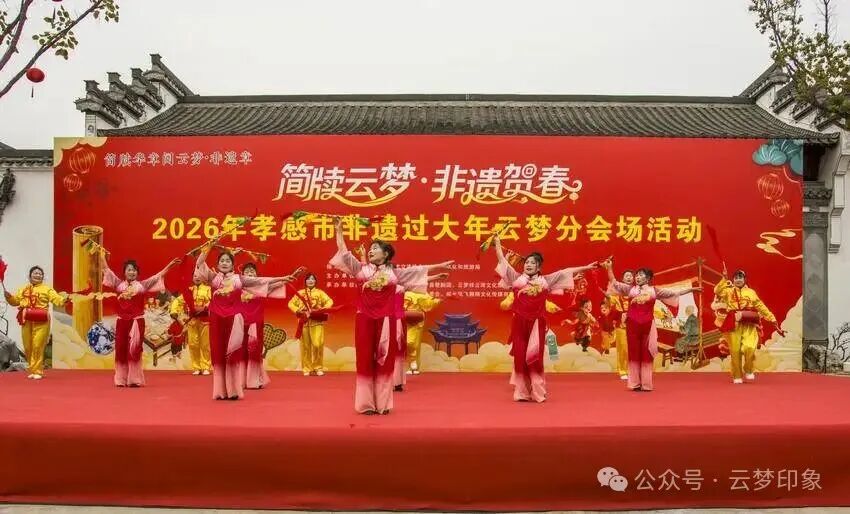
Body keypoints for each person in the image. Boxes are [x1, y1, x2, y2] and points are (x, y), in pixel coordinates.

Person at [330, 216, 452, 414]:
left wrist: (439, 266)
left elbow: (417, 270)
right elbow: (344, 253)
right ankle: (366, 404)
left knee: (385, 360)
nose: (371, 251)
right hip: (364, 320)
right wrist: (339, 230)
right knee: (365, 360)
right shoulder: (360, 269)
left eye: (375, 248)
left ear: (386, 254)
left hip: (387, 321)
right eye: (370, 249)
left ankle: (383, 404)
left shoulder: (394, 273)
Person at [493, 235, 598, 402]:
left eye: (532, 263)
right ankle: (522, 392)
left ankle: (537, 392)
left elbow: (566, 271)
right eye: (527, 262)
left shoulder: (546, 281)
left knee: (534, 358)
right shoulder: (516, 278)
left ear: (538, 266)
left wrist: (586, 267)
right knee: (520, 357)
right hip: (519, 323)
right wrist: (498, 243)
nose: (528, 265)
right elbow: (502, 261)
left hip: (537, 324)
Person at [195, 245, 298, 400]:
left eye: (228, 261)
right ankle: (221, 391)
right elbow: (200, 264)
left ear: (232, 264)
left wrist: (283, 278)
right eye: (222, 261)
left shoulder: (239, 279)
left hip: (234, 320)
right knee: (218, 354)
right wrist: (208, 247)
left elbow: (261, 280)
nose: (224, 263)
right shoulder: (213, 278)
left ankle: (234, 391)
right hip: (216, 319)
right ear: (217, 264)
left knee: (233, 354)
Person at [604, 261, 700, 392]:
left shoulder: (655, 291)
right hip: (632, 326)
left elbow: (673, 293)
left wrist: (691, 290)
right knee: (633, 353)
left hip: (648, 325)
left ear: (648, 278)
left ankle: (646, 384)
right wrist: (609, 268)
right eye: (637, 275)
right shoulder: (630, 289)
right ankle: (634, 383)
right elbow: (614, 283)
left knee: (646, 355)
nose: (637, 277)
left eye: (641, 275)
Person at [101, 255, 180, 387]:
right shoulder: (118, 284)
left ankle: (134, 379)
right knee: (120, 349)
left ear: (137, 272)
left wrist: (169, 266)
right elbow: (106, 270)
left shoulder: (142, 286)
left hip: (136, 322)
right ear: (124, 272)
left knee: (134, 350)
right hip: (121, 322)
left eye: (134, 270)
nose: (131, 272)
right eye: (129, 270)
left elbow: (158, 276)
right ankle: (120, 379)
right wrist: (102, 256)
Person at [714, 269, 782, 384]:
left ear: (744, 279)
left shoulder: (751, 292)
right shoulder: (728, 291)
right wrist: (724, 279)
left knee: (749, 348)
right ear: (733, 280)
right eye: (736, 278)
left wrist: (772, 318)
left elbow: (760, 306)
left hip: (749, 323)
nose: (738, 280)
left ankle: (748, 369)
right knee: (735, 350)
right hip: (734, 324)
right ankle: (737, 375)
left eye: (740, 277)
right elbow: (717, 291)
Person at [2, 266, 68, 380]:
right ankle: (32, 369)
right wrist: (9, 297)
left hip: (41, 320)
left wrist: (64, 300)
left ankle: (37, 371)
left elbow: (57, 299)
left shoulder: (47, 289)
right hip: (26, 319)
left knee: (38, 345)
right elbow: (15, 301)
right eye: (35, 273)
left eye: (40, 274)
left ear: (42, 276)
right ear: (30, 276)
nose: (38, 275)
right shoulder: (23, 289)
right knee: (28, 346)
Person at [287, 272, 334, 377]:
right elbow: (290, 303)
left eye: (313, 279)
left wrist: (322, 309)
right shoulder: (300, 293)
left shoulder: (320, 293)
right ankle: (307, 368)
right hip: (304, 322)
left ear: (315, 281)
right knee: (305, 347)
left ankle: (318, 367)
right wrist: (297, 310)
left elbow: (329, 301)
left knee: (318, 344)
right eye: (308, 279)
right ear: (305, 281)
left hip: (317, 322)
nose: (310, 281)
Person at [169, 276, 212, 375]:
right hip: (192, 320)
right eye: (195, 276)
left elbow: (213, 300)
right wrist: (174, 311)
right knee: (193, 344)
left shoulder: (208, 289)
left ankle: (206, 367)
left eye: (199, 275)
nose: (197, 277)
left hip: (205, 320)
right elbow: (178, 301)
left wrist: (205, 308)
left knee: (205, 344)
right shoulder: (189, 290)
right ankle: (196, 367)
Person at [607, 269, 633, 380]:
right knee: (622, 349)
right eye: (627, 276)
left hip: (634, 326)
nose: (629, 277)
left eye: (631, 276)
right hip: (621, 327)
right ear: (622, 279)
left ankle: (632, 370)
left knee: (633, 350)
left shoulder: (636, 293)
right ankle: (622, 370)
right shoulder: (617, 296)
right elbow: (609, 304)